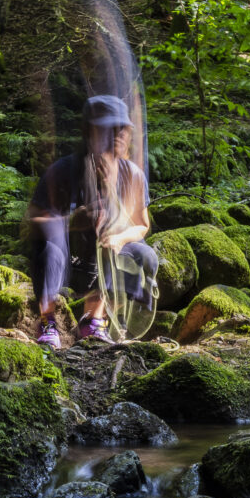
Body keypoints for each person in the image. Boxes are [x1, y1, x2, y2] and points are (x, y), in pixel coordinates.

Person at [26, 94, 158, 349]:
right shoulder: (63, 171)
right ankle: (48, 322)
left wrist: (119, 238)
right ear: (91, 133)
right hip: (68, 255)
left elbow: (142, 225)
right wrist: (70, 222)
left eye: (123, 129)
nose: (117, 135)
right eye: (109, 129)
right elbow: (33, 221)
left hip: (106, 255)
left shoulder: (132, 175)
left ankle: (93, 320)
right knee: (47, 248)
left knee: (144, 255)